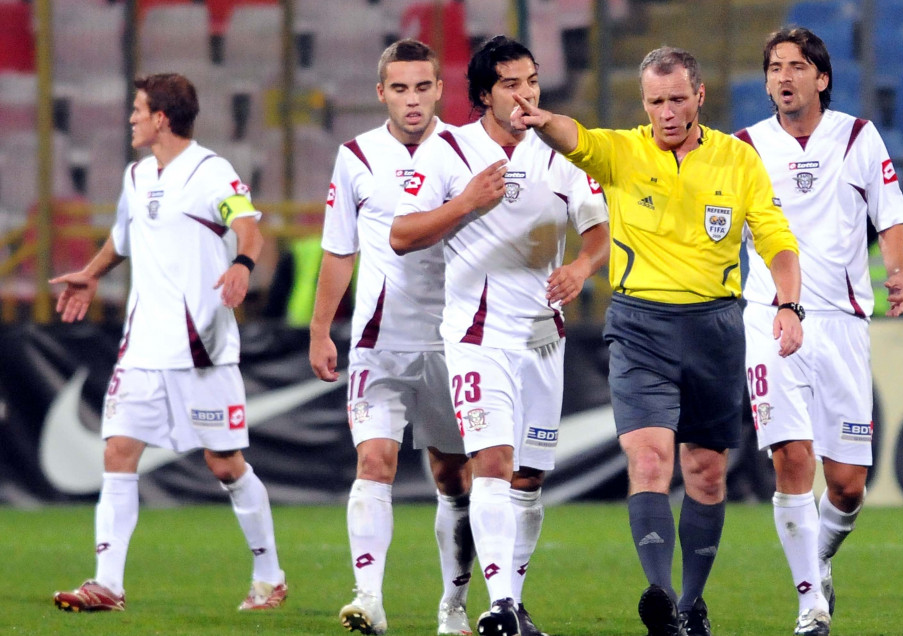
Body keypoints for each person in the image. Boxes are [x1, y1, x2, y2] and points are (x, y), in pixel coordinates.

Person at [510, 47, 802, 636]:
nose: (665, 113)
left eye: (675, 100)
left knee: (706, 473)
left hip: (715, 328)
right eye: (654, 102)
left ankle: (693, 604)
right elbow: (578, 138)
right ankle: (662, 598)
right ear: (643, 104)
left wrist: (789, 305)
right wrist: (544, 120)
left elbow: (776, 239)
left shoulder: (738, 160)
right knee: (647, 459)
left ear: (698, 96)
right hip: (640, 325)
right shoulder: (624, 151)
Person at [391, 35, 610, 636]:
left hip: (543, 336)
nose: (526, 93)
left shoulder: (562, 150)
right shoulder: (447, 151)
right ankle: (503, 607)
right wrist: (465, 203)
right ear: (485, 94)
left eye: (532, 80)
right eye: (511, 84)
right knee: (492, 460)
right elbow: (402, 234)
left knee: (530, 478)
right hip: (476, 334)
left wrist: (580, 268)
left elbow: (598, 235)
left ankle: (509, 597)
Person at [50, 73, 285, 613]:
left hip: (200, 347)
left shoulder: (211, 172)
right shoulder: (136, 177)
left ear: (161, 117)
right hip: (142, 348)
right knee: (117, 451)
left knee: (225, 465)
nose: (130, 118)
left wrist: (244, 264)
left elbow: (248, 226)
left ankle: (269, 576)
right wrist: (90, 272)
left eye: (138, 110)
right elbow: (123, 237)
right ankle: (107, 584)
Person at [734, 27, 903, 636]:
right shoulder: (746, 146)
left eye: (796, 66)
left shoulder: (858, 137)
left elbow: (890, 214)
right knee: (791, 457)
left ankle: (819, 560)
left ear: (822, 77)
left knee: (847, 485)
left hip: (841, 322)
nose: (784, 77)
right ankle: (810, 604)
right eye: (774, 68)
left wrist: (897, 273)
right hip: (770, 317)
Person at [308, 39, 476, 636]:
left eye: (422, 87)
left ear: (439, 90)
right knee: (373, 459)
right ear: (381, 92)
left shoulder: (463, 151)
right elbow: (339, 249)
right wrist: (320, 327)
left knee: (453, 477)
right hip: (377, 340)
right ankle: (368, 600)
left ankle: (453, 608)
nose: (412, 100)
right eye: (399, 88)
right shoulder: (355, 156)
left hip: (452, 341)